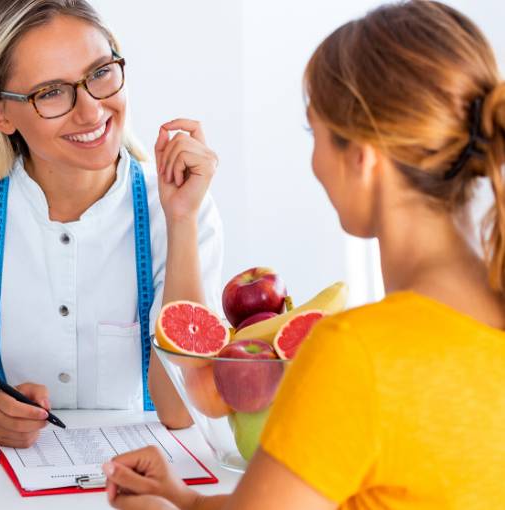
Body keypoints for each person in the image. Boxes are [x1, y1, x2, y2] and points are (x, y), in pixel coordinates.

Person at [101, 2, 505, 508]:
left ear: (363, 158)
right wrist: (188, 501)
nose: (314, 160)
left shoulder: (356, 354)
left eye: (315, 133)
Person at [0, 0, 223, 448]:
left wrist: (180, 221)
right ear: (0, 113)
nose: (90, 112)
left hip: (146, 472)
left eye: (101, 73)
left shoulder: (180, 200)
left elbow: (180, 408)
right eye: (52, 93)